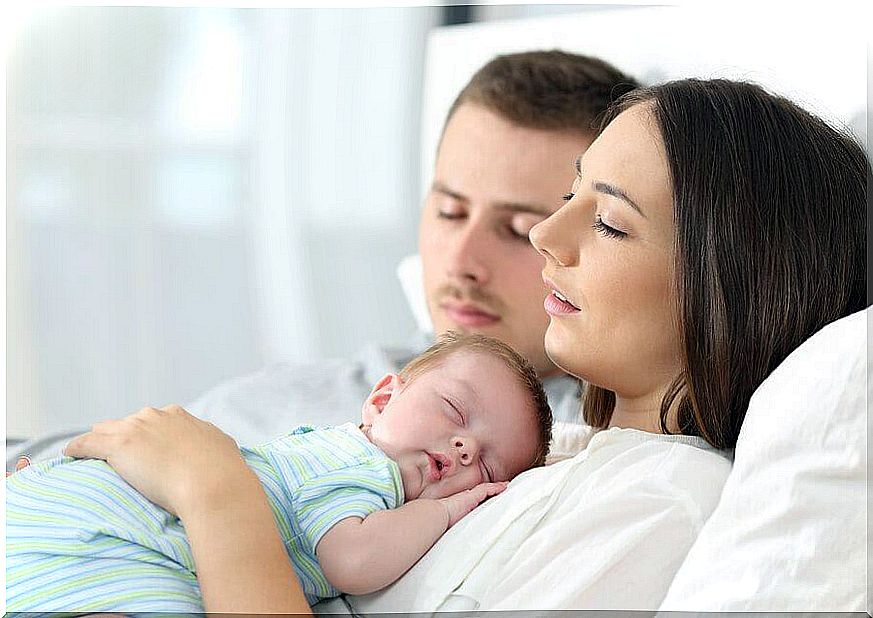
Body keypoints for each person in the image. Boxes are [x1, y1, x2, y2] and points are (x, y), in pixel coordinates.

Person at [57, 77, 869, 614]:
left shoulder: (660, 501)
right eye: (567, 195)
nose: (548, 236)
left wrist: (213, 488)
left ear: (731, 287)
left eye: (611, 221)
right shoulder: (557, 457)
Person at [5, 50, 639, 470]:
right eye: (448, 212)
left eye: (519, 229)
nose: (462, 261)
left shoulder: (585, 458)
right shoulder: (323, 387)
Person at [5, 332, 553, 612]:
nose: (462, 448)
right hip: (129, 529)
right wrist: (447, 508)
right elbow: (352, 561)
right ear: (382, 398)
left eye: (484, 465)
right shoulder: (367, 471)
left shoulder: (320, 451)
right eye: (455, 413)